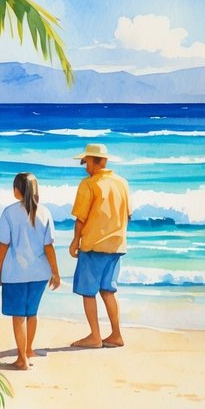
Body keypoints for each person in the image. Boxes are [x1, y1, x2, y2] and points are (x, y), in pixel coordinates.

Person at [0, 172, 61, 370]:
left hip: (15, 273)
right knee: (32, 313)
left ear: (17, 190)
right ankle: (29, 349)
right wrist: (55, 272)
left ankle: (22, 358)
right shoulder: (45, 212)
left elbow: (3, 244)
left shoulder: (9, 212)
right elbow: (49, 246)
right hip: (40, 272)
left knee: (18, 316)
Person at [68, 143, 131, 348]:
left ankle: (95, 336)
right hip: (116, 246)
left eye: (86, 162)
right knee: (108, 291)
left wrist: (75, 241)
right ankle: (116, 334)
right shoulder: (122, 183)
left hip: (93, 245)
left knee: (88, 292)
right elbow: (128, 214)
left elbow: (80, 218)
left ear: (97, 161)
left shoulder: (88, 184)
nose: (85, 166)